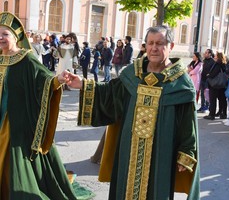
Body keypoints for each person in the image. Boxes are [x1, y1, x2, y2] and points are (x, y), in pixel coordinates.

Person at [63, 25, 200, 200]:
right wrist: (83, 84)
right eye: (150, 43)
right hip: (128, 149)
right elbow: (110, 93)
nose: (154, 48)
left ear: (170, 46)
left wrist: (187, 150)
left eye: (160, 43)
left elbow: (187, 122)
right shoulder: (132, 74)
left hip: (162, 152)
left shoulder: (181, 83)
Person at [0, 11, 94, 199]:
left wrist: (58, 79)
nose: (0, 37)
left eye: (5, 34)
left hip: (15, 122)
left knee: (12, 160)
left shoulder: (26, 58)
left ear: (16, 37)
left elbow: (43, 79)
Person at [204, 51, 228, 120]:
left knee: (213, 100)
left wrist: (209, 75)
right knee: (222, 100)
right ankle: (223, 114)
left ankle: (212, 115)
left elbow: (213, 74)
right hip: (222, 85)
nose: (214, 57)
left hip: (215, 85)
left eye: (215, 56)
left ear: (218, 57)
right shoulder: (224, 64)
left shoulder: (217, 64)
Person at [197, 49, 215, 113]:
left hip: (208, 80)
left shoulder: (213, 61)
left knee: (207, 94)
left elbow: (213, 71)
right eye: (205, 52)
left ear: (210, 54)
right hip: (202, 79)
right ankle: (202, 106)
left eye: (206, 53)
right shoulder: (204, 60)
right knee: (202, 94)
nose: (205, 54)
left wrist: (209, 75)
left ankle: (207, 107)